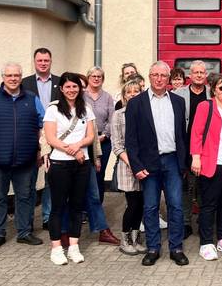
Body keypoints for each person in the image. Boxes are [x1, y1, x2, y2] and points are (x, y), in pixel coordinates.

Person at [125, 61, 189, 267]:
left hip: (172, 161)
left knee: (176, 206)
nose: (159, 79)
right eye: (155, 75)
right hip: (148, 162)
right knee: (151, 206)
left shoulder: (178, 102)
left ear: (168, 78)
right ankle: (153, 248)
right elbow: (131, 139)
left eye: (163, 75)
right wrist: (136, 165)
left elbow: (182, 135)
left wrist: (183, 163)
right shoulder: (137, 103)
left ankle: (176, 247)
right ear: (149, 77)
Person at [0, 63, 45, 250]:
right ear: (2, 77)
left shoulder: (32, 99)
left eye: (16, 75)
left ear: (21, 76)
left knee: (25, 196)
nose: (13, 79)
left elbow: (42, 124)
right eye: (9, 75)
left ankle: (24, 233)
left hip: (26, 159)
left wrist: (40, 149)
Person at [44, 72, 95, 265]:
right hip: (59, 163)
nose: (72, 90)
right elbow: (51, 138)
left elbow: (91, 135)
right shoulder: (53, 109)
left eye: (75, 86)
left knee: (77, 206)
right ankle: (56, 248)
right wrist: (74, 151)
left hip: (82, 164)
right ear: (61, 89)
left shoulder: (86, 109)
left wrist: (79, 145)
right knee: (57, 207)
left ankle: (74, 245)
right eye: (68, 87)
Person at [190, 74, 222, 261]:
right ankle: (206, 242)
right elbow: (196, 133)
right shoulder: (205, 106)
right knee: (209, 204)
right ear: (214, 90)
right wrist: (196, 157)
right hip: (211, 162)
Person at [22, 48, 60, 231]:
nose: (43, 63)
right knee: (28, 182)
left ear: (51, 61)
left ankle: (47, 217)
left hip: (55, 138)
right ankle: (27, 221)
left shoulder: (61, 83)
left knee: (50, 180)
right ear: (34, 62)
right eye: (40, 60)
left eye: (46, 60)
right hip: (31, 137)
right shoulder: (24, 83)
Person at [173, 60, 211, 237]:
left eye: (202, 73)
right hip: (186, 147)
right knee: (186, 187)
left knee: (204, 186)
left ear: (206, 75)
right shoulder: (178, 94)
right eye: (195, 72)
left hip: (209, 149)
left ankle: (204, 220)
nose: (198, 75)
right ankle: (186, 223)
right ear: (190, 75)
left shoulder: (213, 93)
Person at [111, 79, 146, 256]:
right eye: (128, 92)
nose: (132, 94)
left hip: (144, 165)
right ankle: (124, 239)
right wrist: (133, 163)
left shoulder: (146, 113)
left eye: (136, 91)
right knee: (132, 204)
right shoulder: (118, 115)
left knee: (142, 203)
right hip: (128, 166)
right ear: (124, 96)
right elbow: (117, 145)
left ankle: (136, 237)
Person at [84, 67, 115, 204]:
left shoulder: (107, 97)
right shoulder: (82, 95)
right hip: (85, 141)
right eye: (93, 76)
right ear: (88, 78)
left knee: (99, 174)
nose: (96, 79)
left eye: (99, 77)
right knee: (85, 174)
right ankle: (84, 208)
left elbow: (111, 118)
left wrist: (105, 135)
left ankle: (97, 206)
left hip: (104, 141)